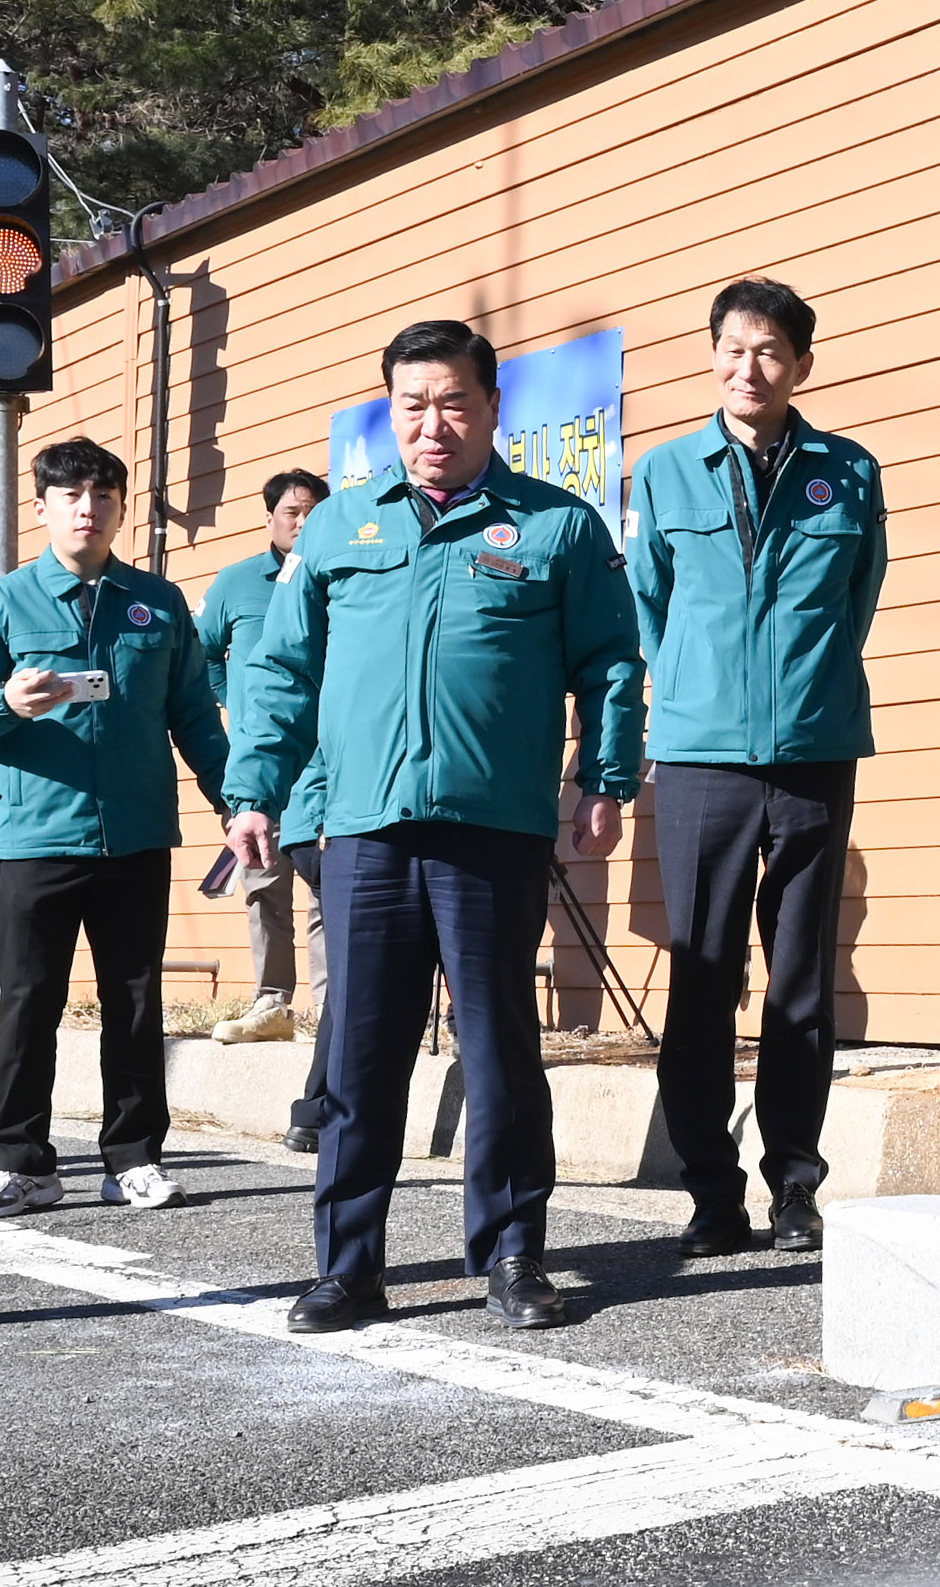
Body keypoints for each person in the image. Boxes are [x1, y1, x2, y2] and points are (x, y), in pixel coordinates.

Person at [223, 319, 644, 1331]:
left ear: (492, 408)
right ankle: (346, 1265)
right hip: (362, 827)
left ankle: (511, 1252)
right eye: (411, 405)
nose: (432, 424)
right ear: (390, 414)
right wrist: (254, 790)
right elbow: (280, 668)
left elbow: (612, 664)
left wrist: (604, 779)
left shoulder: (555, 526)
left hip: (491, 827)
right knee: (360, 1051)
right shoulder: (338, 528)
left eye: (453, 401)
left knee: (499, 1048)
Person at [625, 279, 888, 1258]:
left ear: (801, 366)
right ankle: (708, 1189)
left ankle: (793, 1184)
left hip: (816, 751)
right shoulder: (662, 474)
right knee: (701, 979)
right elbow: (647, 608)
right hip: (700, 757)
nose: (750, 367)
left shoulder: (848, 473)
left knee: (800, 983)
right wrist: (699, 692)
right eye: (733, 349)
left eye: (771, 351)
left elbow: (854, 601)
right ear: (710, 358)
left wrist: (800, 691)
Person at [0, 436, 230, 1216]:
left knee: (136, 1001)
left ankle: (134, 1156)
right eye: (72, 495)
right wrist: (5, 705)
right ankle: (23, 1161)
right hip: (39, 835)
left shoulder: (158, 603)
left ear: (119, 507)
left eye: (103, 495)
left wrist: (233, 798)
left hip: (137, 835)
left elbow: (193, 716)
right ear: (40, 507)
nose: (89, 508)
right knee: (29, 1001)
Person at [198, 468, 328, 1048]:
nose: (302, 523)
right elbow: (201, 657)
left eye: (312, 512)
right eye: (291, 513)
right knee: (262, 882)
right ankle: (273, 1002)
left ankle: (333, 1011)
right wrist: (236, 703)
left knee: (330, 886)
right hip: (263, 761)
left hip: (328, 761)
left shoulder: (335, 572)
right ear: (270, 516)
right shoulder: (237, 583)